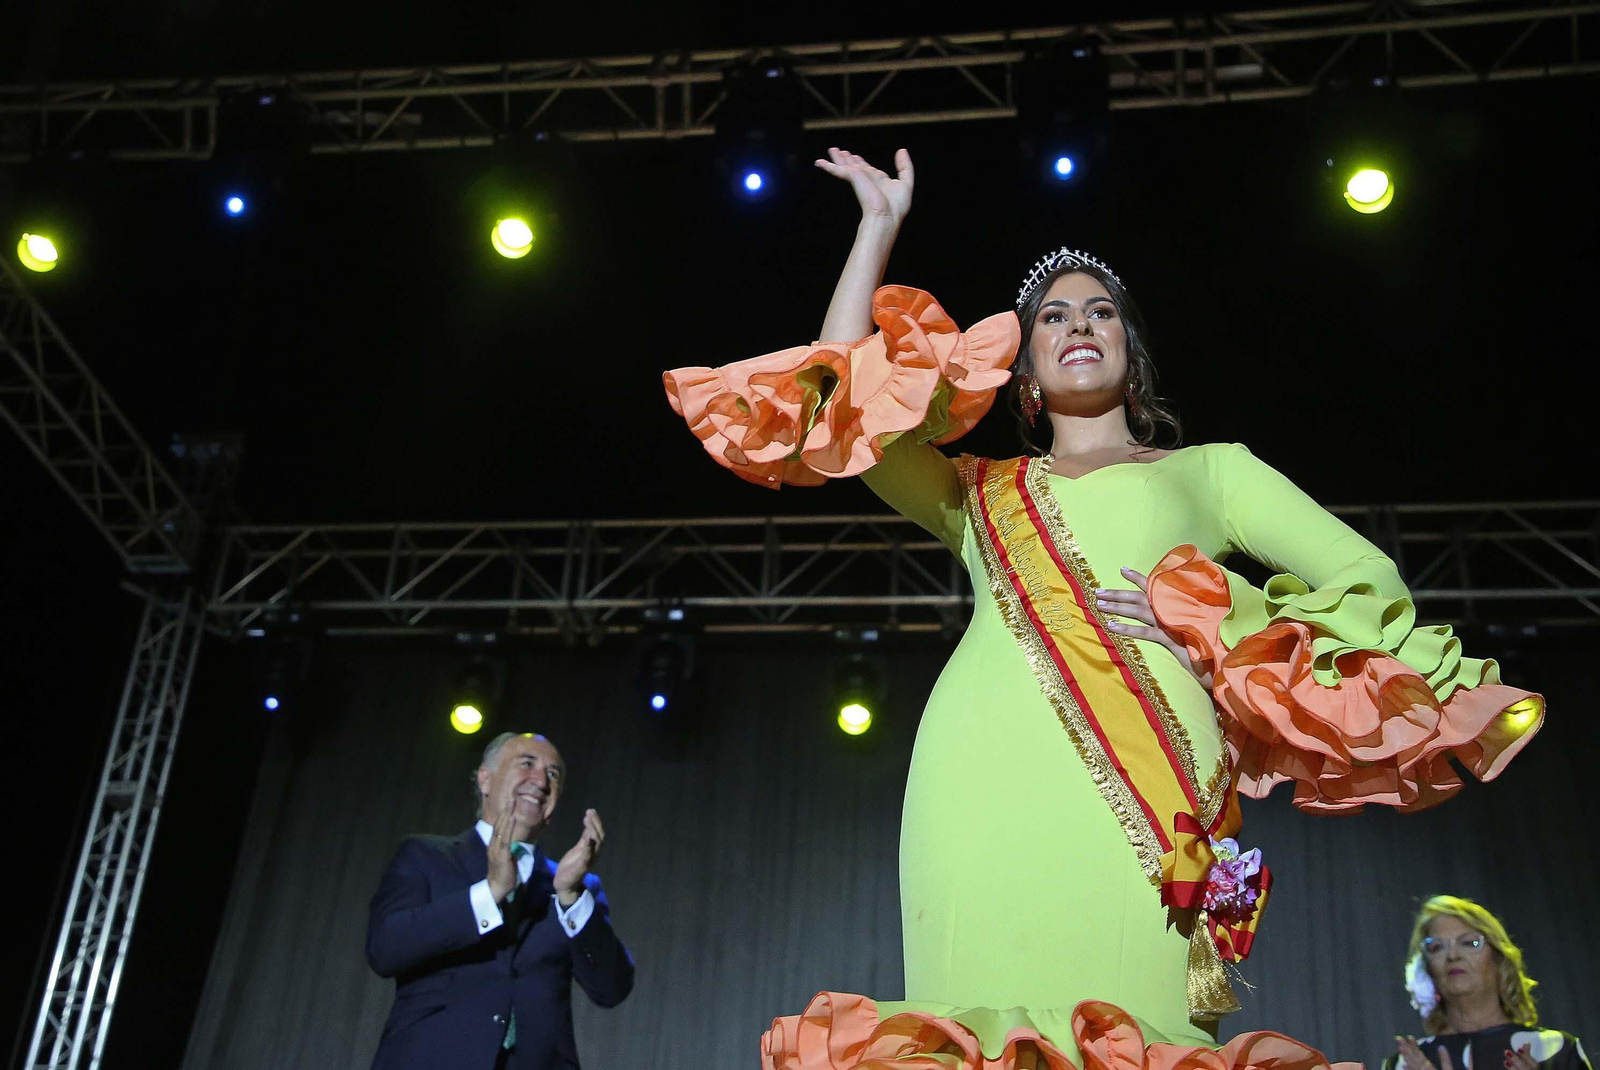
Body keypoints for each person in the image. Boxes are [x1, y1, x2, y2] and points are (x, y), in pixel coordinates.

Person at [664, 148, 1546, 1070]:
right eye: (1053, 314)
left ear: (1132, 350)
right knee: (983, 1025)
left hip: (1152, 780)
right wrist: (876, 229)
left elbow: (1372, 585)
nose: (1079, 323)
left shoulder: (1214, 471)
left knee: (1143, 1028)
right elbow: (841, 400)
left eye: (1101, 311)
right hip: (978, 777)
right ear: (1027, 370)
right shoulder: (978, 490)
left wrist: (1210, 620)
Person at [366, 731, 633, 1070]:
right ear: (485, 779)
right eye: (527, 764)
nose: (541, 780)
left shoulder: (576, 886)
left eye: (554, 774)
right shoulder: (426, 855)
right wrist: (490, 893)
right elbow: (385, 949)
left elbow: (612, 989)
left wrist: (570, 897)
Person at [1389, 896, 1590, 1070]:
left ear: (1498, 958)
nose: (1452, 955)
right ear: (1426, 970)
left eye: (1470, 943)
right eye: (1436, 947)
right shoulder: (1406, 1063)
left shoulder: (1556, 1050)